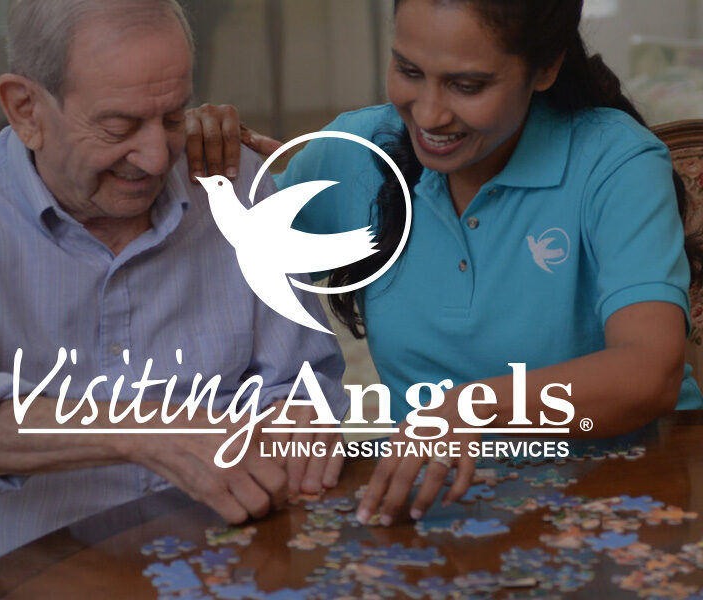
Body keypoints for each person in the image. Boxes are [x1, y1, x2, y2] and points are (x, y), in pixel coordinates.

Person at [186, 0, 703, 526]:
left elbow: (650, 372)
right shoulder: (355, 152)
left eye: (468, 85)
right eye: (409, 71)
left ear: (545, 68)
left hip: (632, 489)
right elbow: (205, 261)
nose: (429, 114)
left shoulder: (615, 162)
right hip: (431, 503)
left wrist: (465, 408)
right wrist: (184, 142)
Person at [0, 0, 347, 581]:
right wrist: (147, 432)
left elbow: (304, 381)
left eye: (172, 116)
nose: (158, 156)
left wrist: (300, 417)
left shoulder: (233, 186)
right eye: (118, 127)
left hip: (229, 556)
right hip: (25, 575)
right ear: (25, 108)